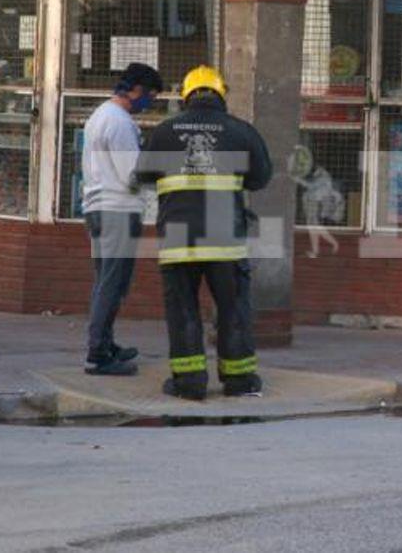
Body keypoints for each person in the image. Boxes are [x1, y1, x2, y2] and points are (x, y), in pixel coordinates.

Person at [134, 66, 273, 400]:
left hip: (179, 239)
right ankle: (239, 381)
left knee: (183, 309)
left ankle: (189, 382)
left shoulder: (165, 132)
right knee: (232, 309)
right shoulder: (241, 132)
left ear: (186, 95)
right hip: (225, 239)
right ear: (220, 94)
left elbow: (143, 175)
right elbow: (260, 178)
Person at [81, 62, 163, 376]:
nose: (150, 103)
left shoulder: (100, 115)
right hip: (117, 208)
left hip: (98, 207)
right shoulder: (120, 123)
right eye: (150, 96)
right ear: (137, 91)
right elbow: (132, 175)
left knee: (105, 280)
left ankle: (106, 343)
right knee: (112, 283)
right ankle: (97, 353)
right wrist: (158, 174)